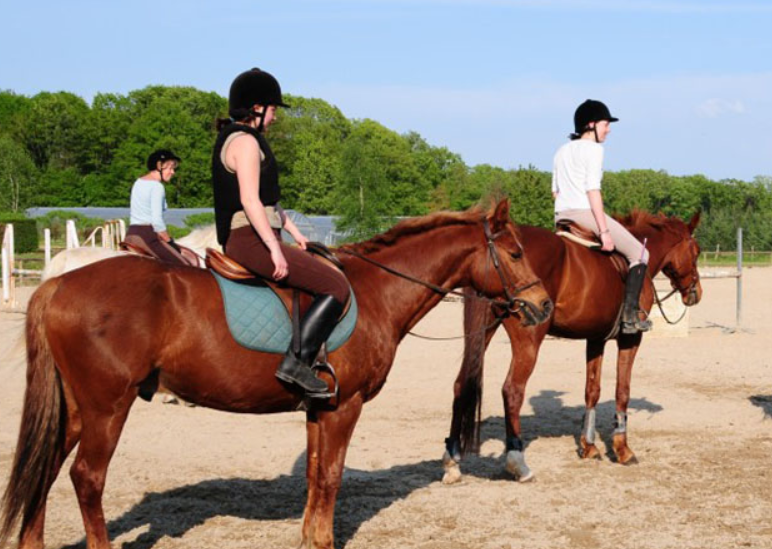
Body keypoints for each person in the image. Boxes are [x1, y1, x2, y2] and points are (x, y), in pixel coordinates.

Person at [212, 68, 350, 398]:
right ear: (256, 108)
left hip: (256, 234)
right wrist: (274, 247)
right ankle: (296, 362)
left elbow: (269, 202)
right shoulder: (244, 142)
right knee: (335, 285)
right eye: (273, 110)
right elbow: (249, 199)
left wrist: (294, 233)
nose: (275, 118)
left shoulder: (242, 138)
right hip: (249, 240)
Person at [552, 99, 652, 334]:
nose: (608, 129)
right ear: (591, 124)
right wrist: (604, 232)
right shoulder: (594, 150)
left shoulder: (561, 150)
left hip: (561, 217)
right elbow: (592, 191)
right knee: (641, 253)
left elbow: (555, 192)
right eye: (606, 124)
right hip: (584, 213)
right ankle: (629, 317)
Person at [126, 149, 190, 266]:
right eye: (170, 168)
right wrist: (170, 242)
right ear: (159, 166)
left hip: (131, 233)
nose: (173, 172)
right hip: (147, 235)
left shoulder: (138, 182)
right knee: (185, 266)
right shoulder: (157, 186)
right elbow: (157, 222)